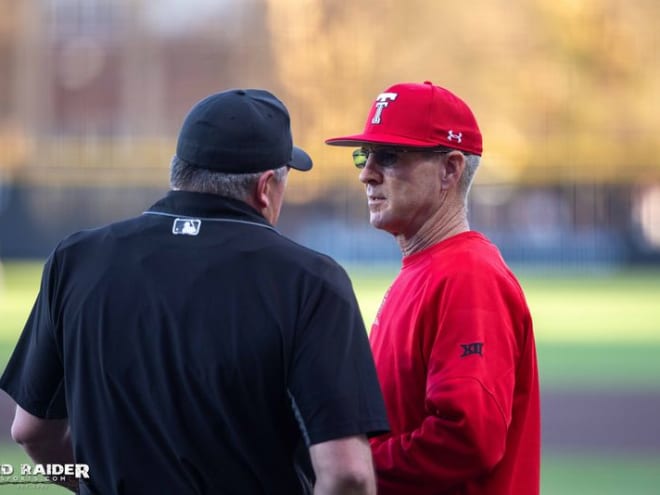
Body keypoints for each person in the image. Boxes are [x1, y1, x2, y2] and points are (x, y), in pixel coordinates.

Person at [0, 88, 390, 494]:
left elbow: (31, 430)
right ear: (265, 187)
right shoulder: (311, 281)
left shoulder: (76, 259)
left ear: (178, 172)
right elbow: (348, 473)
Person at [325, 81, 540, 495]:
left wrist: (356, 466)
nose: (366, 173)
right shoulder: (425, 269)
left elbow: (467, 438)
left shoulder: (469, 276)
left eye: (388, 157)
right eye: (364, 156)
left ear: (450, 169)